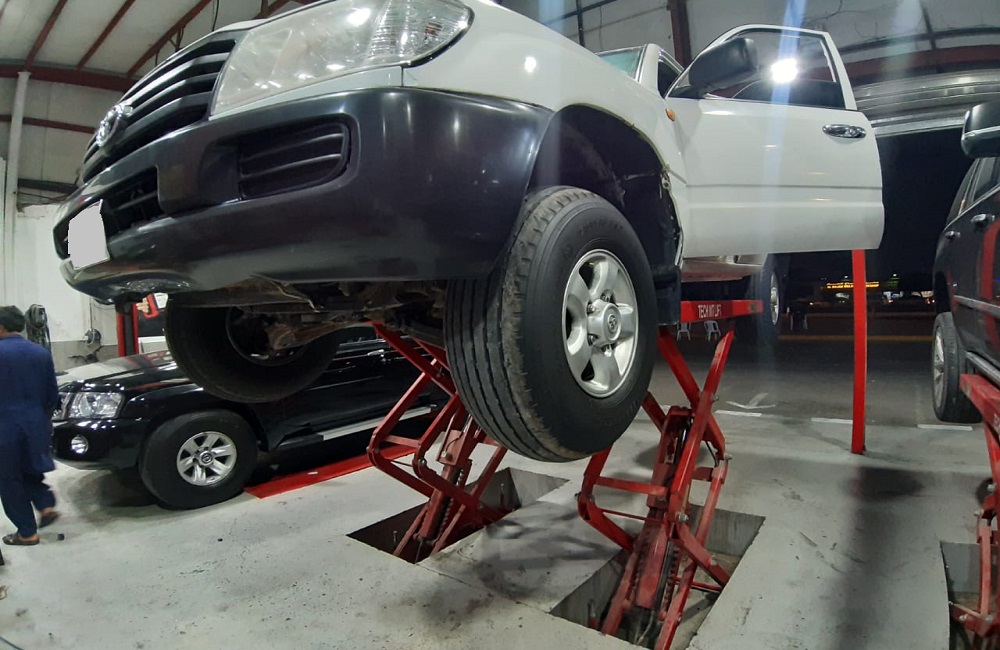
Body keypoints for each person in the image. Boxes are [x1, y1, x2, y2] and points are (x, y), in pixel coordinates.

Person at [0, 306, 60, 546]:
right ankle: (45, 505)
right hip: (36, 423)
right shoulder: (40, 353)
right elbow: (52, 395)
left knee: (9, 478)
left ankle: (27, 532)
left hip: (5, 426)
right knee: (31, 469)